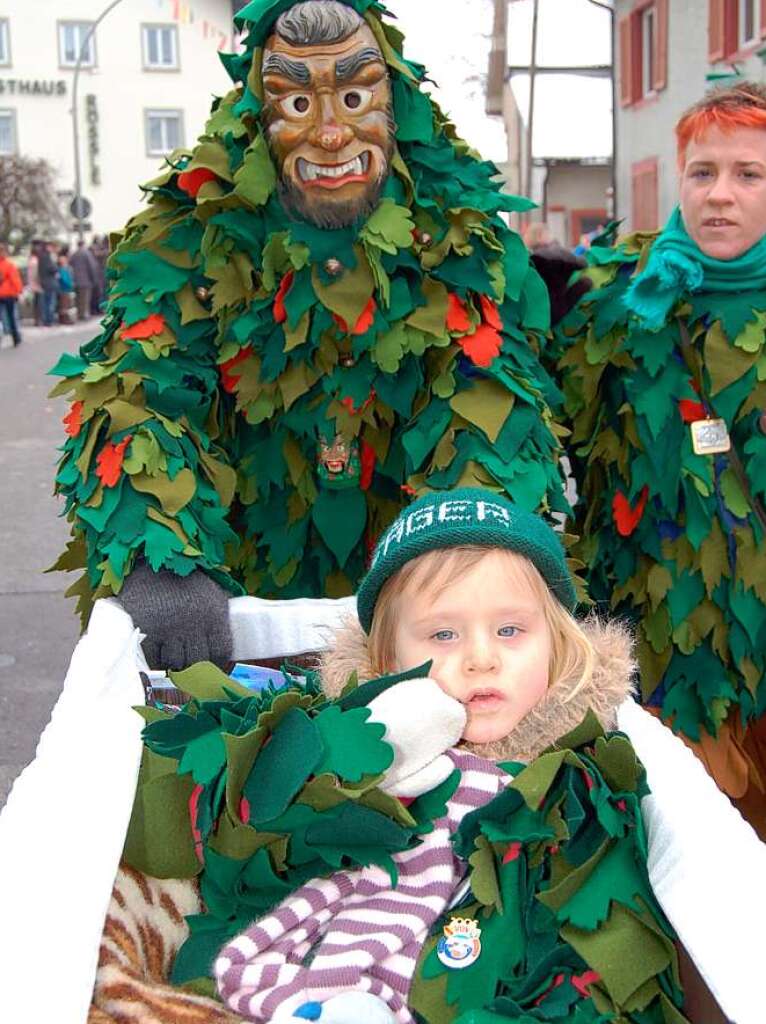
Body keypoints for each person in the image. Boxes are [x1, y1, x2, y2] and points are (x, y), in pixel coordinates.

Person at [83, 489, 764, 1023]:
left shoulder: (582, 781)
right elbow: (264, 847)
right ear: (386, 660)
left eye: (510, 630)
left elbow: (585, 937)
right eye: (442, 633)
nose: (480, 656)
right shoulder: (346, 744)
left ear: (557, 647)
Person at [49, 0, 568, 674]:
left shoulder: (454, 237)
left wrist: (465, 549)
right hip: (241, 598)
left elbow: (489, 400)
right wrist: (164, 556)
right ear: (255, 118)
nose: (330, 133)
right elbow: (137, 389)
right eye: (295, 103)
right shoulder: (193, 228)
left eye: (354, 97)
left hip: (415, 595)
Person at [555, 81, 766, 838]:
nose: (720, 195)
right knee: (696, 854)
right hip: (669, 650)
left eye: (749, 174)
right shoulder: (622, 302)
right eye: (703, 172)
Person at [69, 238, 100, 320]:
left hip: (76, 280)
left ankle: (79, 314)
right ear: (83, 244)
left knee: (78, 298)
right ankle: (84, 314)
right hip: (86, 280)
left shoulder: (74, 254)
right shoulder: (87, 253)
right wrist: (94, 279)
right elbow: (91, 267)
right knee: (85, 298)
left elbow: (70, 265)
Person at [0, 243, 23, 346]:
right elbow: (15, 280)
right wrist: (19, 291)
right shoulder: (9, 265)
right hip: (9, 294)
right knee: (11, 317)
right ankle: (16, 338)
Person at [38, 240, 59, 326]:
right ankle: (49, 320)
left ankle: (47, 320)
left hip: (44, 282)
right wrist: (56, 266)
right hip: (49, 282)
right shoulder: (46, 256)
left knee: (46, 302)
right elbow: (52, 269)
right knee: (50, 302)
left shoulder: (41, 256)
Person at [57, 250, 76, 324]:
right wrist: (70, 285)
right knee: (64, 305)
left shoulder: (63, 268)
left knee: (65, 305)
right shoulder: (63, 269)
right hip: (64, 289)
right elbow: (65, 279)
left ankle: (64, 319)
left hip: (64, 289)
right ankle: (64, 320)